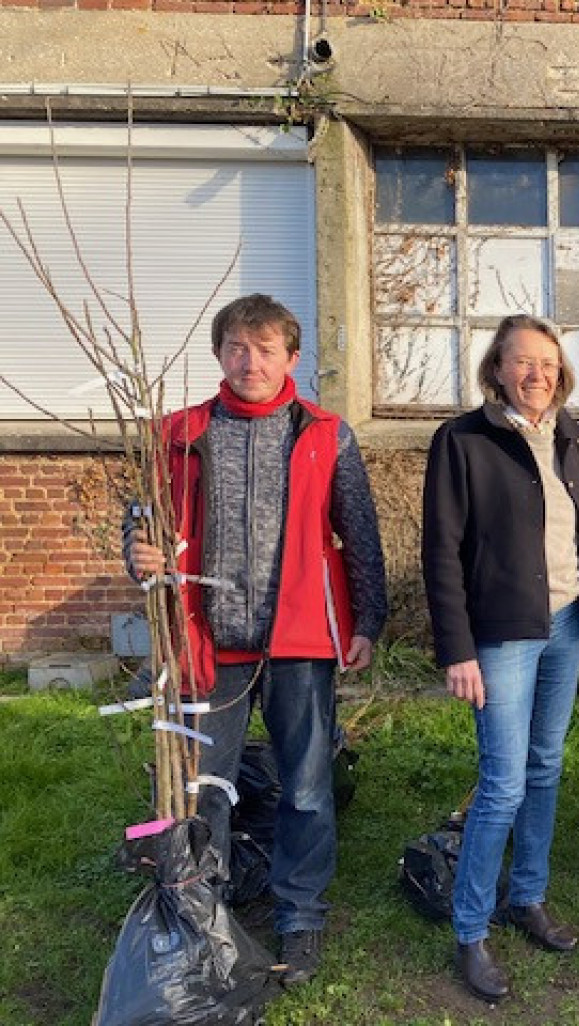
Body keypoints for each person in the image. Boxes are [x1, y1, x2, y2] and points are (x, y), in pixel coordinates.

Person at [124, 293, 387, 987]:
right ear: (219, 355)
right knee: (205, 786)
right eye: (238, 348)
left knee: (305, 786)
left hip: (301, 638)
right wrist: (139, 552)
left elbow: (359, 529)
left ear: (291, 359)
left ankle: (300, 916)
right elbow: (142, 521)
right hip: (210, 642)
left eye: (266, 349)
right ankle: (198, 913)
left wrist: (368, 620)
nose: (251, 362)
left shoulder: (327, 433)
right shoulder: (176, 433)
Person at [422, 313, 579, 1003]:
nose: (537, 374)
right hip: (499, 634)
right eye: (522, 362)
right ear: (496, 369)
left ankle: (525, 897)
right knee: (502, 782)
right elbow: (441, 550)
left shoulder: (566, 437)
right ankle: (470, 931)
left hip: (566, 623)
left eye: (548, 362)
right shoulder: (463, 441)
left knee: (546, 766)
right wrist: (457, 648)